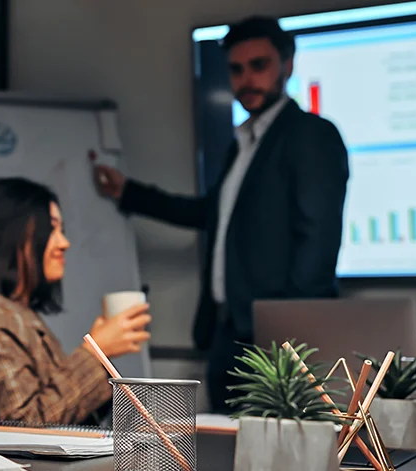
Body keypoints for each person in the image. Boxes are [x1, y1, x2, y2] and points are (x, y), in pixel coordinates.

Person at [93, 16, 349, 412]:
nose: (246, 79)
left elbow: (318, 243)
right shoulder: (242, 143)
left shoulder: (310, 135)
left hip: (277, 342)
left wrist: (286, 338)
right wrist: (130, 192)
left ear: (287, 65)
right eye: (236, 69)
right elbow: (211, 213)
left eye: (258, 66)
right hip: (227, 334)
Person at [0, 177, 152, 425]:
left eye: (61, 230)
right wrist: (96, 353)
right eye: (50, 228)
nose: (64, 243)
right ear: (11, 233)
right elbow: (24, 424)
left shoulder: (20, 314)